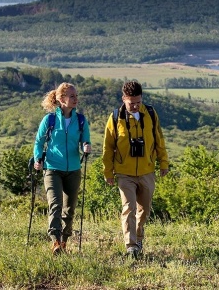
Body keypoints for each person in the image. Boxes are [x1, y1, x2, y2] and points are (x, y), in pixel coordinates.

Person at [103, 81, 169, 258]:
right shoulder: (116, 117)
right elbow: (108, 147)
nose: (135, 106)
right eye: (131, 102)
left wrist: (164, 163)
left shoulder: (151, 114)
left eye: (138, 102)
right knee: (129, 208)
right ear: (123, 98)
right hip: (125, 173)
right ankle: (131, 245)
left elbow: (159, 140)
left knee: (144, 209)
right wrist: (108, 172)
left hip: (147, 171)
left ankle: (138, 237)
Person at [33, 82, 91, 255]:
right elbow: (39, 142)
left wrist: (86, 146)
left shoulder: (80, 120)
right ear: (61, 99)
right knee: (55, 205)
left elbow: (85, 140)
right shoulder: (49, 119)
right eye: (72, 96)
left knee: (69, 209)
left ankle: (64, 241)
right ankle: (55, 241)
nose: (76, 99)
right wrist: (38, 159)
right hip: (52, 168)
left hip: (73, 168)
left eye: (76, 95)